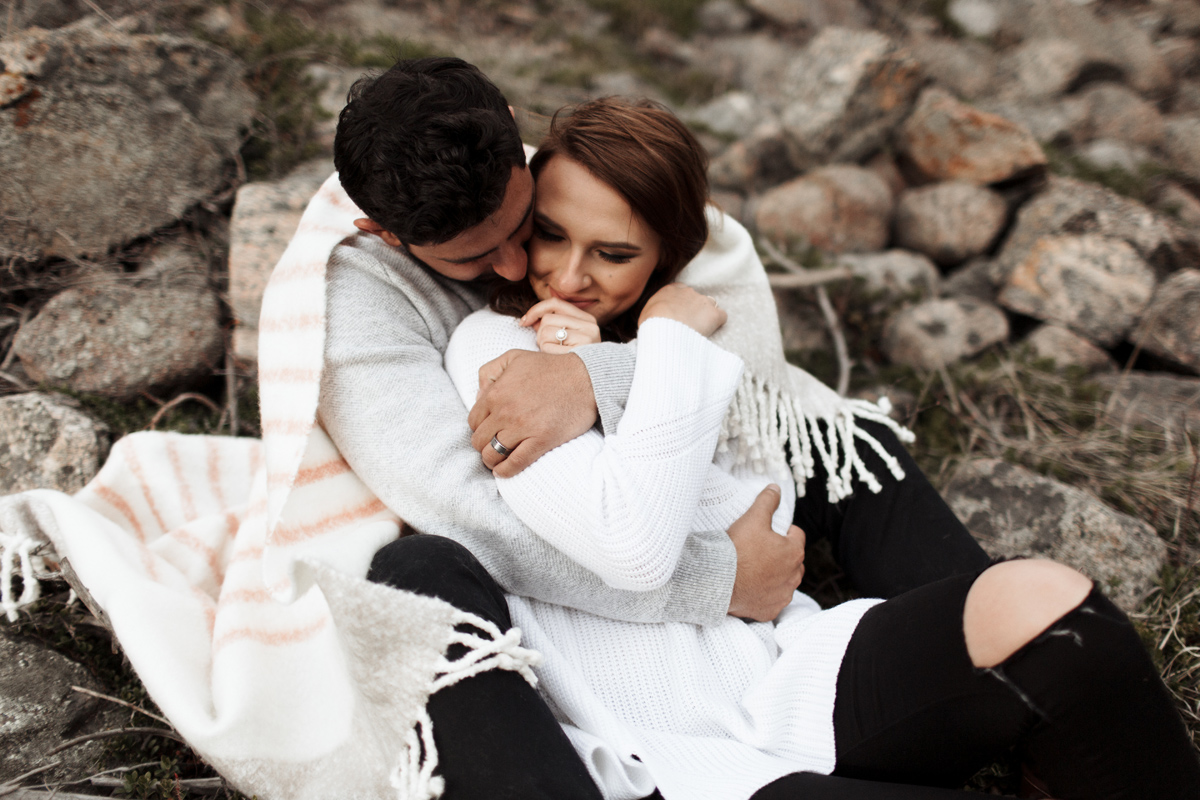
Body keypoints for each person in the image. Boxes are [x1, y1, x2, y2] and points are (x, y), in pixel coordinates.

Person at [316, 55, 1059, 797]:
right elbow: (468, 514)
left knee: (846, 445)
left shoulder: (560, 174)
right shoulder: (361, 308)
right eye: (474, 257)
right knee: (430, 569)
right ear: (382, 232)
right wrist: (719, 577)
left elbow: (718, 333)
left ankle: (1020, 687)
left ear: (516, 132)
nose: (515, 267)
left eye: (524, 226)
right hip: (528, 509)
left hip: (637, 437)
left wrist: (594, 377)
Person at [441, 96, 1200, 800]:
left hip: (791, 672)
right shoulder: (497, 349)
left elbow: (745, 498)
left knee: (1048, 602)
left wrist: (630, 354)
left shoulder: (686, 362)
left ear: (664, 261)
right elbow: (636, 543)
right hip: (689, 751)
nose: (568, 277)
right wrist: (666, 335)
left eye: (611, 254)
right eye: (550, 233)